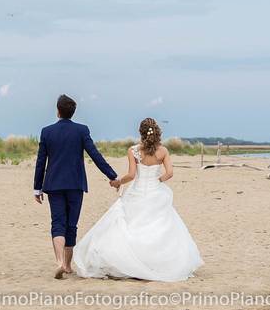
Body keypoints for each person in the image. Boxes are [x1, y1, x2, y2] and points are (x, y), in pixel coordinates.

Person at [72, 117, 203, 282]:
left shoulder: (133, 150)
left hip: (137, 192)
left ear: (140, 132)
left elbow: (132, 175)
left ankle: (130, 262)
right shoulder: (163, 151)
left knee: (130, 225)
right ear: (157, 133)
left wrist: (118, 181)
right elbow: (170, 173)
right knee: (159, 226)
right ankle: (155, 262)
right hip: (156, 192)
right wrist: (158, 181)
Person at [33, 94, 117, 279]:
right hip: (75, 184)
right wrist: (112, 176)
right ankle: (68, 265)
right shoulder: (81, 130)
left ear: (57, 111)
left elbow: (41, 162)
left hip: (54, 184)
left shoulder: (47, 132)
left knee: (58, 223)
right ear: (72, 112)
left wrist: (37, 188)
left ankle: (60, 263)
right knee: (71, 224)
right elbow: (95, 155)